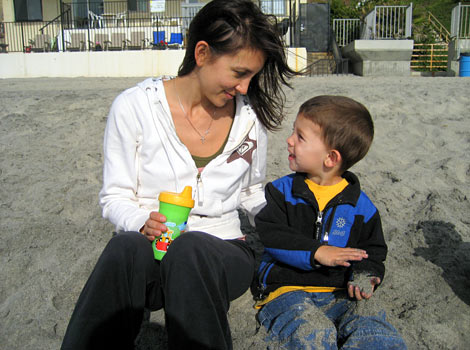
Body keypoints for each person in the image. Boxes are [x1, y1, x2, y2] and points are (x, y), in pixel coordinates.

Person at [61, 1, 298, 349]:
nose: (246, 88)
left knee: (190, 248)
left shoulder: (250, 119)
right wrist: (142, 221)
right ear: (202, 53)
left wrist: (291, 225)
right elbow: (114, 197)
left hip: (221, 252)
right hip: (150, 250)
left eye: (252, 76)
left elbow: (251, 192)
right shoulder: (134, 107)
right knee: (124, 246)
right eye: (238, 73)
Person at [253, 96, 407, 349]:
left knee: (372, 329)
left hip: (341, 292)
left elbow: (373, 250)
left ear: (331, 158)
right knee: (309, 333)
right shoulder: (282, 192)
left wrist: (366, 274)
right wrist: (317, 252)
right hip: (287, 288)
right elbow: (272, 235)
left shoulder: (361, 206)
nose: (289, 140)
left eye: (300, 136)